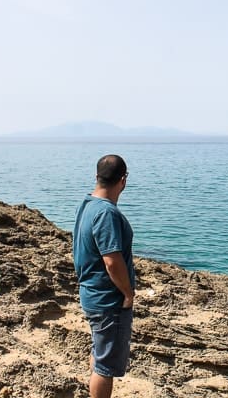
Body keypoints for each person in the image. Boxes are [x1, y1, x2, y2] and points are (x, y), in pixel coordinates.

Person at [73, 154, 135, 398]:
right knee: (105, 367)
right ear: (123, 180)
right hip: (108, 300)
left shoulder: (86, 205)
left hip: (91, 293)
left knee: (99, 354)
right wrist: (128, 293)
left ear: (96, 177)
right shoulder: (107, 213)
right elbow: (112, 261)